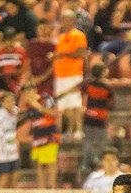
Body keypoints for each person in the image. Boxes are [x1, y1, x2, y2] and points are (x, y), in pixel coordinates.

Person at [52, 10, 88, 140]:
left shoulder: (78, 35)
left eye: (67, 19)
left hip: (73, 74)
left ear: (73, 20)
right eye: (62, 19)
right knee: (64, 106)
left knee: (75, 104)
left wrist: (62, 55)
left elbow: (81, 54)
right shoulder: (60, 36)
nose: (64, 22)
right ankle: (69, 131)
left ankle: (78, 131)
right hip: (60, 75)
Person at [23, 84, 60, 189]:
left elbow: (54, 113)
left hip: (50, 135)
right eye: (25, 93)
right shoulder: (28, 105)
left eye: (29, 92)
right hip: (37, 137)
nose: (27, 95)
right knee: (39, 165)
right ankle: (41, 191)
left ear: (35, 90)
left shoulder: (45, 98)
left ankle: (52, 191)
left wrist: (38, 106)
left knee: (51, 164)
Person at [0, 91, 20, 189]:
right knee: (5, 174)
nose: (10, 103)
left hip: (12, 147)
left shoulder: (15, 111)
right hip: (2, 149)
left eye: (12, 101)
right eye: (7, 101)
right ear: (3, 103)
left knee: (15, 173)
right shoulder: (0, 114)